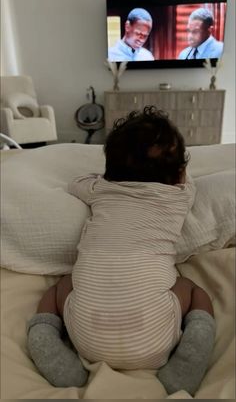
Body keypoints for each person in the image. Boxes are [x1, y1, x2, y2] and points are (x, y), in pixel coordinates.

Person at [27, 107, 216, 395]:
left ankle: (42, 335)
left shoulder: (101, 189)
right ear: (180, 173)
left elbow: (74, 184)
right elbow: (186, 181)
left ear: (110, 171)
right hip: (154, 338)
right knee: (192, 290)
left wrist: (102, 180)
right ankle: (189, 361)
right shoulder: (180, 196)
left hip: (86, 337)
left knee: (61, 286)